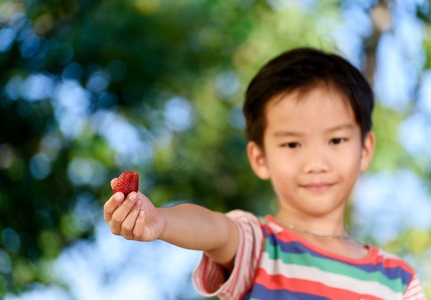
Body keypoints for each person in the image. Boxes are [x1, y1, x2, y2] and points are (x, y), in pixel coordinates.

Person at [103, 47, 426, 299]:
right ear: (259, 158)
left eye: (336, 139)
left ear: (365, 149)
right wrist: (162, 221)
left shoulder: (397, 281)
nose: (316, 162)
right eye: (291, 144)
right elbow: (216, 229)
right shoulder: (258, 246)